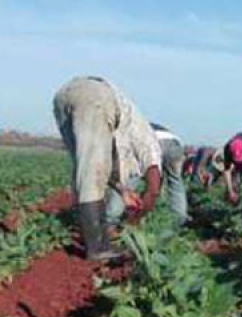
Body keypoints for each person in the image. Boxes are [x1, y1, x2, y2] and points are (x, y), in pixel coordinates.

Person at [53, 76, 162, 261]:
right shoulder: (148, 138)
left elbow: (107, 170)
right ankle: (96, 249)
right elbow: (153, 189)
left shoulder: (118, 134)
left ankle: (101, 242)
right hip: (96, 96)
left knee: (86, 166)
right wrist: (141, 213)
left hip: (62, 97)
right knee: (91, 174)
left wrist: (123, 191)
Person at [106, 123, 190, 228]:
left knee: (129, 178)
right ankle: (178, 221)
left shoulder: (122, 133)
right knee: (175, 182)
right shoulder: (141, 124)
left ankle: (111, 219)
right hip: (174, 144)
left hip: (151, 143)